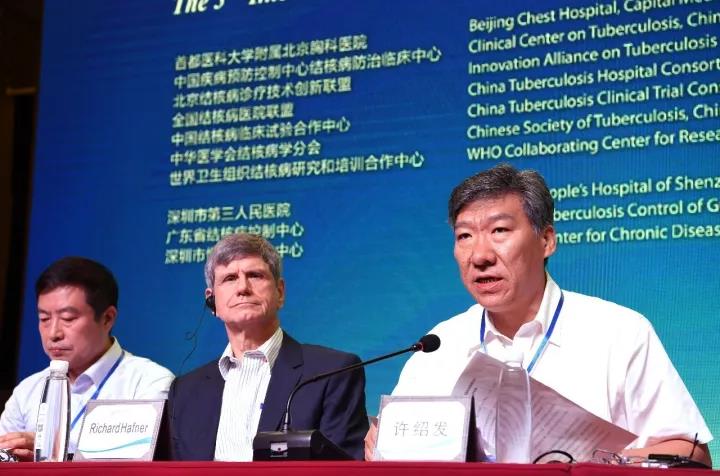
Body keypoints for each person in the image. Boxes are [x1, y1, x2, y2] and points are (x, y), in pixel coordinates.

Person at [366, 164, 712, 466]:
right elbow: (388, 451)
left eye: (499, 231)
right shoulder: (439, 345)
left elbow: (690, 453)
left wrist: (590, 466)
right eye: (465, 236)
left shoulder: (619, 332)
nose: (480, 255)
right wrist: (382, 444)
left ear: (546, 240)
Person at [167, 233, 368, 461]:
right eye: (230, 278)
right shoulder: (184, 392)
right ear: (211, 301)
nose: (243, 287)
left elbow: (342, 471)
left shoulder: (333, 373)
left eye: (255, 275)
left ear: (280, 292)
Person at [0, 257, 174, 461]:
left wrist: (52, 453)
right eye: (44, 319)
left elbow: (138, 463)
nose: (53, 333)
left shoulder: (149, 383)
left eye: (68, 319)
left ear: (107, 318)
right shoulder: (27, 391)